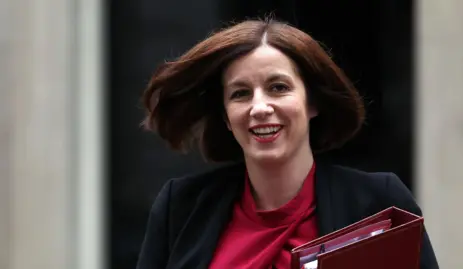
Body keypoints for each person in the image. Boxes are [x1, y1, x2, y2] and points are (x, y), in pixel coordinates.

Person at [136, 18, 439, 269]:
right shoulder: (181, 207)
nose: (259, 107)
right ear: (226, 117)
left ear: (313, 102)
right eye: (240, 93)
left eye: (278, 88)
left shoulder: (378, 202)